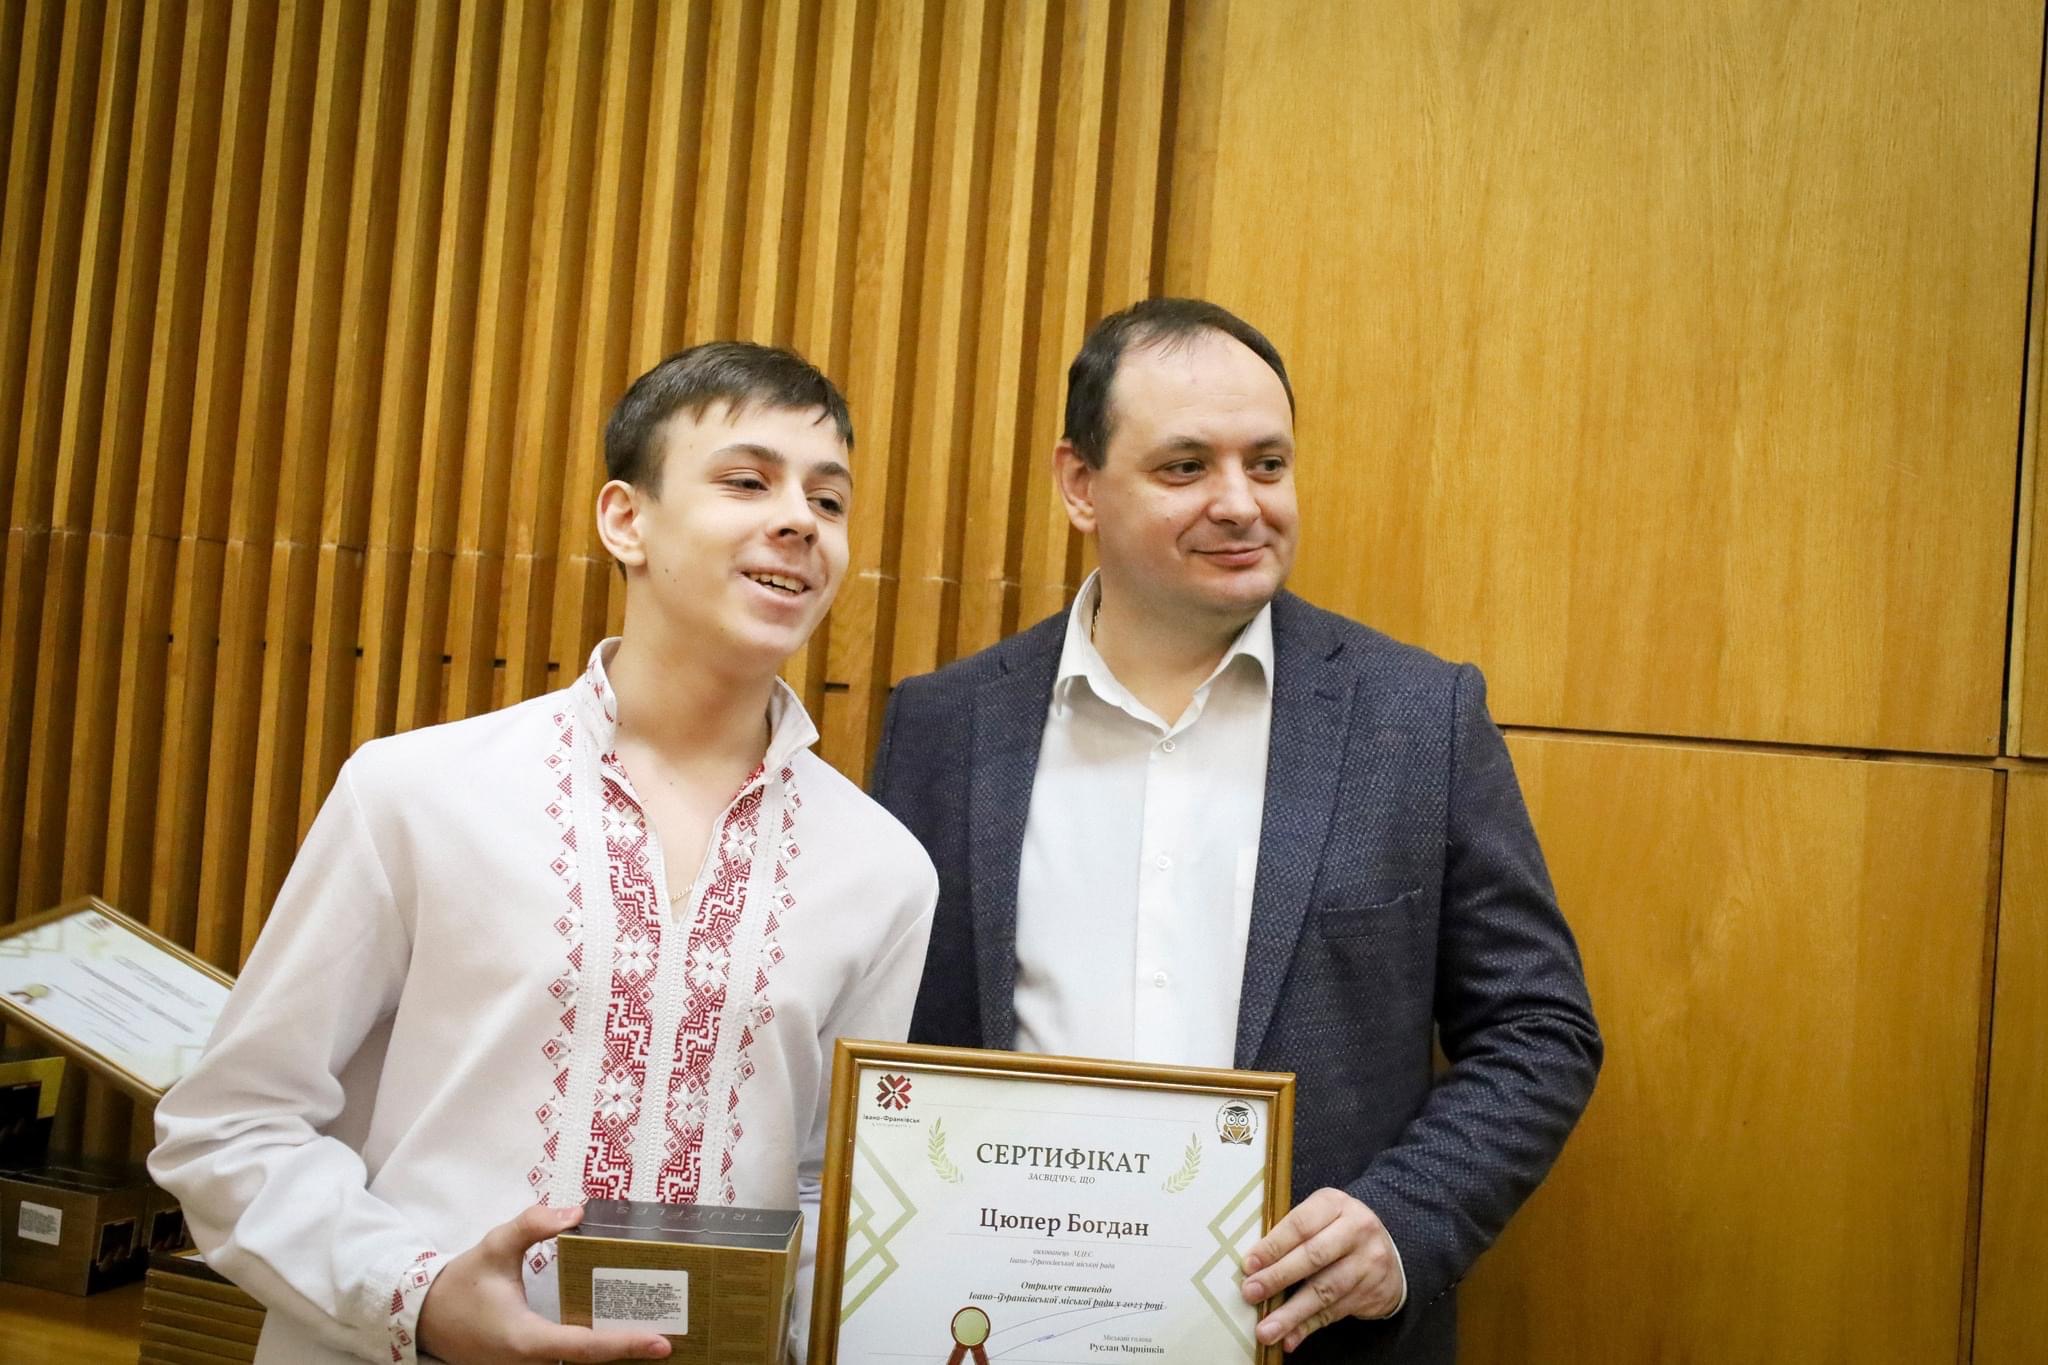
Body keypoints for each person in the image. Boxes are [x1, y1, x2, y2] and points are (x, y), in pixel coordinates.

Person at [151, 342, 938, 1364]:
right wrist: (421, 1299)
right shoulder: (419, 792)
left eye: (827, 500)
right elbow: (231, 1127)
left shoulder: (883, 870)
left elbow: (827, 1189)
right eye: (747, 482)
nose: (799, 520)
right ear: (625, 520)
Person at [871, 299, 1601, 1362]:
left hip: (1311, 1339)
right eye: (1185, 467)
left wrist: (1402, 1219)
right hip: (1000, 1329)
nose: (1240, 503)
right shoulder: (942, 725)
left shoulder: (1417, 719)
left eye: (1267, 464)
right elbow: (883, 1045)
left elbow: (1538, 1026)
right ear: (1079, 483)